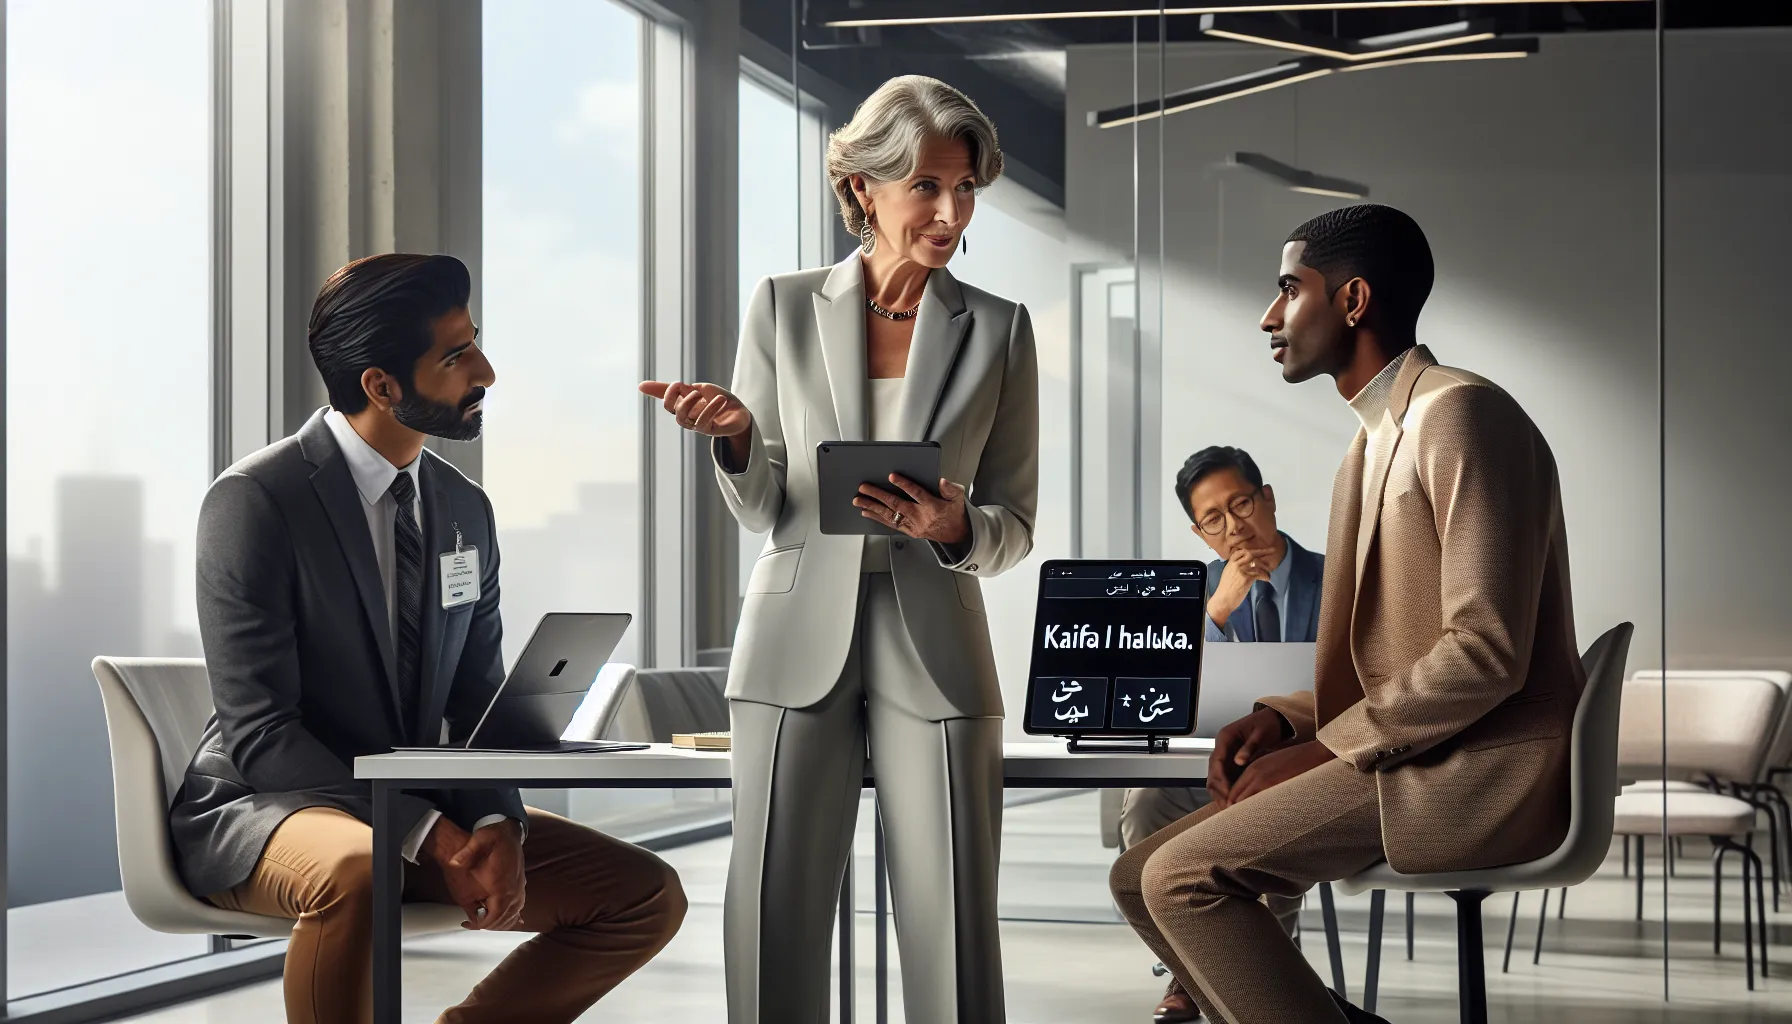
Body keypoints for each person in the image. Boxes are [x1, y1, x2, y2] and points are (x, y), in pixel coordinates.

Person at [170, 253, 687, 1024]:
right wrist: (432, 835)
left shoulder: (463, 508)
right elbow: (261, 733)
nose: (486, 371)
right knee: (357, 869)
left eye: (474, 342)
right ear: (381, 386)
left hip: (419, 804)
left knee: (643, 893)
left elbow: (475, 698)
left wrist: (492, 823)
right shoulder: (256, 501)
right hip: (273, 805)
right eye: (456, 356)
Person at [1108, 204, 1583, 1024]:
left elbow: (1485, 650)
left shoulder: (1462, 413)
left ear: (1353, 300)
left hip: (1469, 766)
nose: (1269, 315)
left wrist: (1325, 745)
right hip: (1412, 752)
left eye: (1288, 290)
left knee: (1179, 880)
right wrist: (1285, 721)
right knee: (1134, 878)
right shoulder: (1370, 444)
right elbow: (1397, 658)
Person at [641, 75, 1036, 1024]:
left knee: (953, 921)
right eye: (928, 187)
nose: (952, 212)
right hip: (791, 639)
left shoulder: (999, 328)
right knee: (773, 909)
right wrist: (735, 438)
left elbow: (1013, 524)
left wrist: (954, 529)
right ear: (865, 188)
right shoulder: (781, 307)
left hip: (936, 644)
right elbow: (769, 508)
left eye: (967, 188)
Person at [1120, 445, 1324, 1023]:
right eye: (1215, 520)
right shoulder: (1189, 592)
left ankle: (1265, 969)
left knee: (1267, 810)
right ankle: (1194, 971)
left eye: (1241, 505)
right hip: (1205, 765)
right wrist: (1215, 611)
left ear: (1268, 500)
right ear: (1200, 532)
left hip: (1299, 762)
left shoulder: (1336, 578)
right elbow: (1156, 691)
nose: (1234, 527)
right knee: (1144, 807)